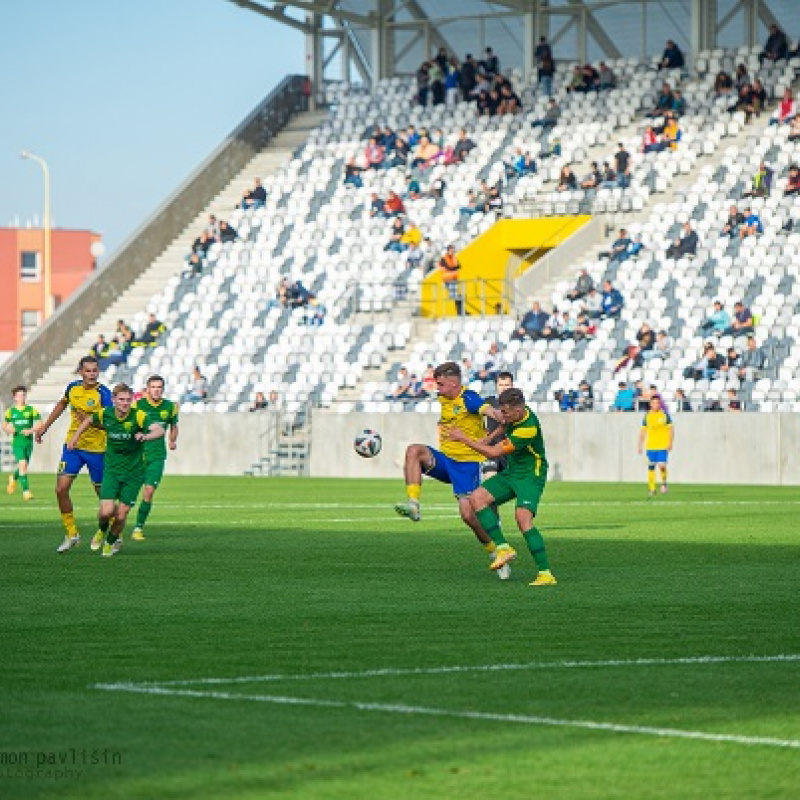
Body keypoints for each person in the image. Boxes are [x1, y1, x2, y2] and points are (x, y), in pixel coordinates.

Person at [393, 362, 507, 577]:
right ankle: (414, 505)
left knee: (468, 516)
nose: (437, 387)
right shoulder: (443, 397)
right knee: (414, 451)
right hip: (446, 460)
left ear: (454, 383)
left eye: (441, 384)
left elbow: (489, 411)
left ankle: (496, 551)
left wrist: (501, 417)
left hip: (467, 465)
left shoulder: (469, 398)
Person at [442, 387, 557, 587]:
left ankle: (546, 574)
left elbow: (494, 453)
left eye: (505, 412)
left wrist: (464, 439)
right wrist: (487, 437)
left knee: (523, 519)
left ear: (518, 411)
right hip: (513, 472)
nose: (501, 415)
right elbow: (504, 426)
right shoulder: (515, 415)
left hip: (531, 475)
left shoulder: (527, 428)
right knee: (476, 498)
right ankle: (503, 548)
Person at [68, 383, 164, 558]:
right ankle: (101, 529)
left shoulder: (139, 416)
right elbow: (89, 420)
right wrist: (76, 436)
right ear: (113, 400)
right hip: (112, 470)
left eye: (128, 400)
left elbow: (159, 429)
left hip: (133, 473)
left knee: (121, 515)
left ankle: (110, 542)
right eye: (121, 400)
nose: (125, 403)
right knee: (106, 511)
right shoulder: (106, 413)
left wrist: (146, 436)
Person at [35, 356, 113, 553]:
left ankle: (114, 533)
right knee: (61, 489)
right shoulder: (73, 388)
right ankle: (71, 534)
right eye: (88, 371)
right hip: (73, 447)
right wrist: (45, 426)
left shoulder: (104, 394)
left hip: (97, 450)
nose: (92, 374)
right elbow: (62, 404)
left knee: (103, 496)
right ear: (81, 372)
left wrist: (90, 420)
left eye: (95, 370)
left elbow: (110, 423)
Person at [130, 375, 179, 542]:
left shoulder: (170, 407)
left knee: (149, 492)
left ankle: (138, 528)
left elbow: (174, 425)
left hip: (157, 457)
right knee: (127, 493)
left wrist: (172, 440)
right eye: (153, 387)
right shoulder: (138, 405)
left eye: (159, 387)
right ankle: (116, 523)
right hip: (137, 456)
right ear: (147, 389)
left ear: (163, 389)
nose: (156, 390)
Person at [3, 386, 41, 501]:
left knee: (22, 467)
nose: (22, 397)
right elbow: (4, 425)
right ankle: (26, 492)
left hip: (28, 443)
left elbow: (40, 423)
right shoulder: (11, 412)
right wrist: (9, 430)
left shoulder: (31, 410)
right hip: (17, 442)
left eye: (23, 395)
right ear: (15, 397)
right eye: (19, 395)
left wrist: (31, 430)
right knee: (23, 465)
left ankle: (13, 478)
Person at [480, 371, 514, 480]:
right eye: (501, 385)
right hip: (491, 449)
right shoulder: (488, 402)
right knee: (490, 484)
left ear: (512, 386)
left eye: (507, 385)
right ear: (496, 386)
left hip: (509, 450)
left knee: (509, 489)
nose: (503, 388)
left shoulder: (517, 406)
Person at [638, 394, 673, 498]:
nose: (656, 405)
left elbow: (670, 429)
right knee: (651, 467)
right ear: (650, 404)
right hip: (651, 446)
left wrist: (670, 442)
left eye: (657, 403)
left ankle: (664, 483)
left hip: (662, 445)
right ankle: (652, 488)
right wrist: (640, 445)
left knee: (662, 466)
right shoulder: (647, 416)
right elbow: (643, 431)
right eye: (653, 403)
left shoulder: (664, 415)